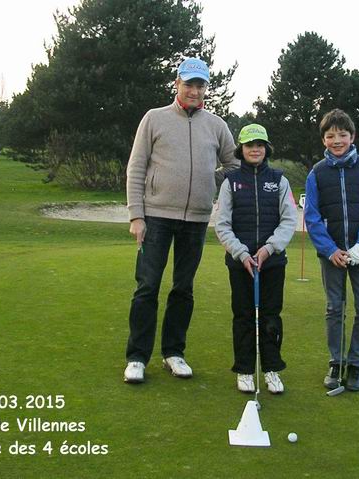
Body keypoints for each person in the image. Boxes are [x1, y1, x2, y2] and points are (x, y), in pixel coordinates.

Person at [123, 58, 239, 384]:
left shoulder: (216, 125)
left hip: (196, 220)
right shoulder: (154, 118)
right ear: (177, 84)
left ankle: (174, 353)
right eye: (188, 84)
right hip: (156, 217)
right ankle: (137, 357)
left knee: (183, 289)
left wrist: (209, 181)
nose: (194, 91)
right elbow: (136, 167)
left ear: (205, 89)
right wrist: (136, 215)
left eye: (200, 85)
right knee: (147, 287)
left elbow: (234, 164)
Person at [304, 109, 359, 392]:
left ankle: (355, 365)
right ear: (323, 140)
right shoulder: (317, 173)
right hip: (332, 254)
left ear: (352, 137)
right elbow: (312, 217)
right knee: (334, 309)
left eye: (342, 135)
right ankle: (336, 363)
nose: (336, 140)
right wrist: (330, 250)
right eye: (330, 136)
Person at [215, 124, 297, 394]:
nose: (255, 149)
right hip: (240, 263)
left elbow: (289, 220)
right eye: (250, 145)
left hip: (272, 262)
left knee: (271, 316)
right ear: (241, 149)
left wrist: (269, 248)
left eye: (260, 145)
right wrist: (241, 253)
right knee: (243, 316)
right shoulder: (230, 182)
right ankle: (245, 369)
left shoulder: (279, 180)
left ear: (266, 148)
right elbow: (222, 224)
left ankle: (271, 369)